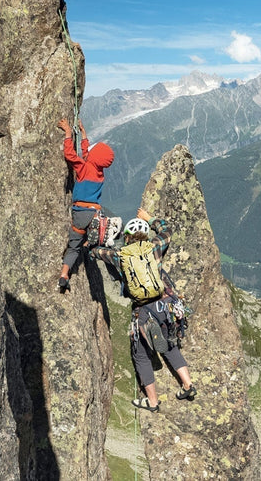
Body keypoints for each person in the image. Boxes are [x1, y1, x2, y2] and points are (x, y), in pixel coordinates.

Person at [109, 208, 196, 413]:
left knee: (141, 355)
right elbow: (166, 230)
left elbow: (98, 253)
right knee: (170, 345)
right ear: (145, 234)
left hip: (143, 312)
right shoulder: (155, 247)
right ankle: (188, 385)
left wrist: (90, 247)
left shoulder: (120, 256)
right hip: (165, 306)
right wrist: (150, 219)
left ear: (128, 238)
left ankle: (153, 402)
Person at [56, 118, 115, 292]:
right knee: (85, 242)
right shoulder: (99, 172)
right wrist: (83, 134)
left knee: (73, 246)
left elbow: (70, 156)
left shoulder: (83, 168)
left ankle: (64, 274)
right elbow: (87, 154)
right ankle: (89, 244)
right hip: (95, 213)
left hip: (81, 212)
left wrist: (68, 133)